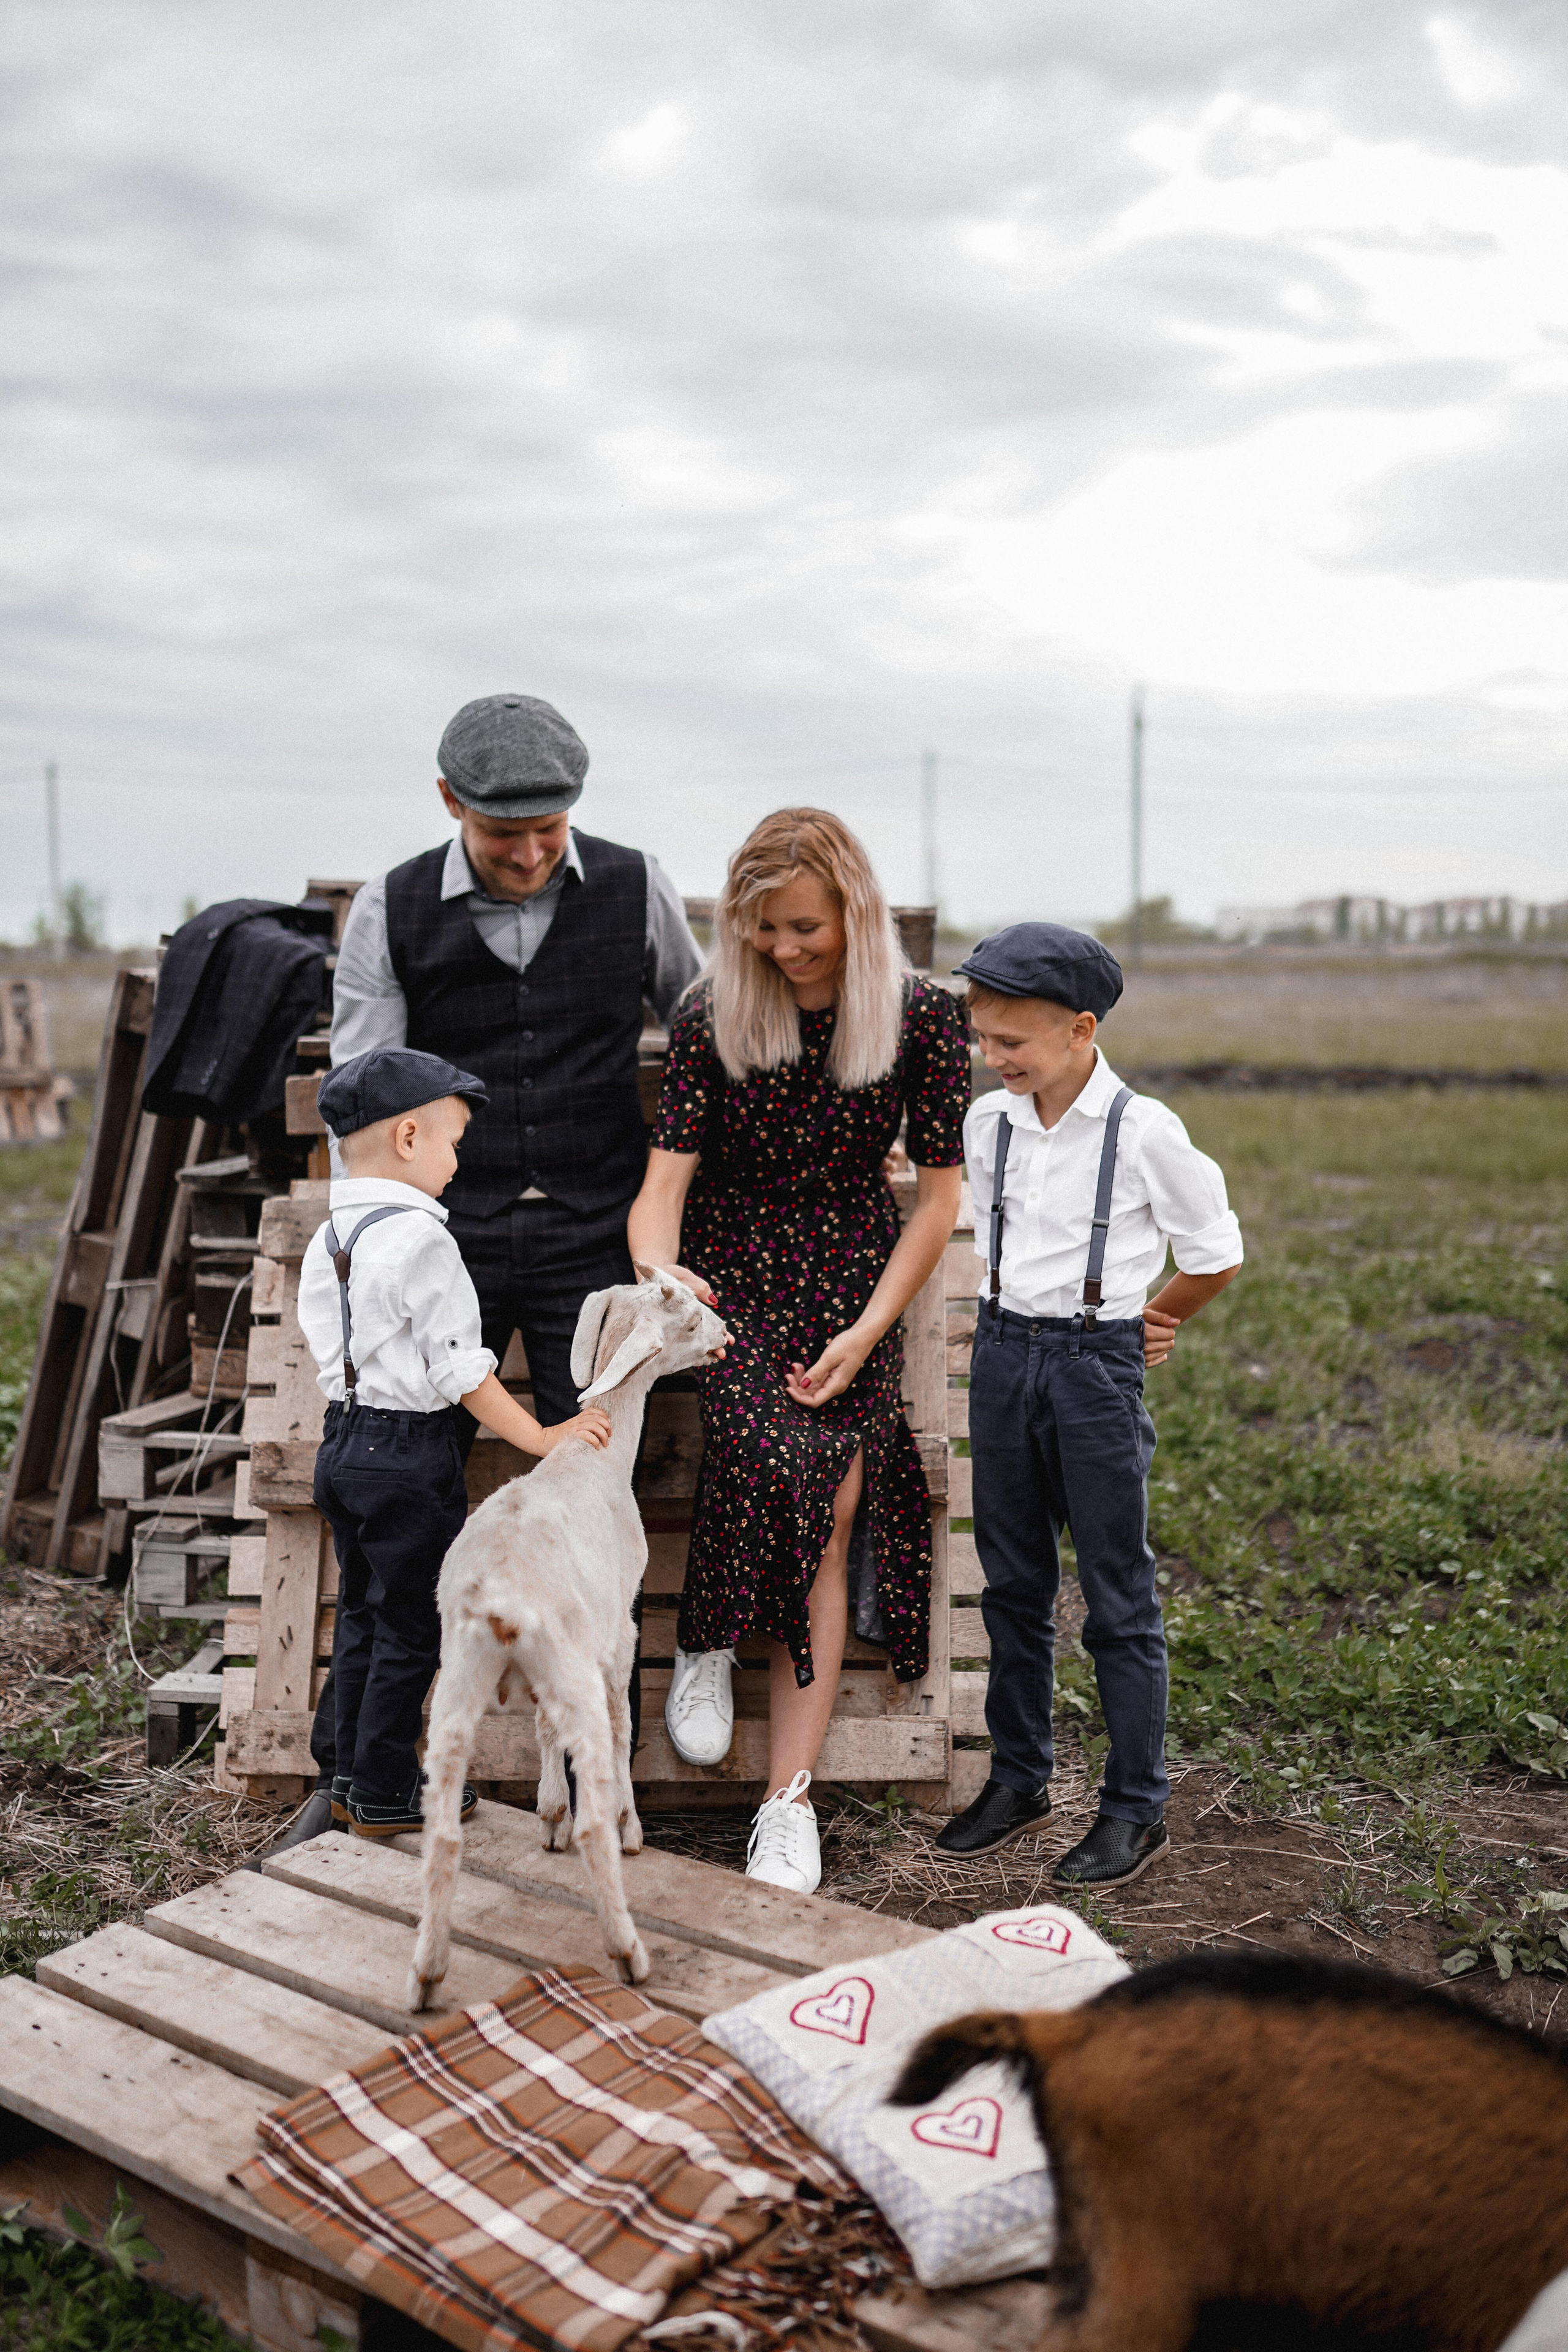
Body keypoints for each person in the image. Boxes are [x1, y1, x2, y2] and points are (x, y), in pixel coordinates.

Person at [628, 808, 970, 1894]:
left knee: (826, 1503)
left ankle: (788, 1802)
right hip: (732, 1264)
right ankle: (706, 1641)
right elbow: (662, 1193)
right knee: (757, 1445)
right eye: (765, 930)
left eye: (805, 929)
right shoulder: (709, 1013)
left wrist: (873, 1326)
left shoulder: (926, 1019)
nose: (783, 950)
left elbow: (939, 1200)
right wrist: (662, 1275)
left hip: (854, 1274)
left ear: (856, 915)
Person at [933, 924, 1243, 1886]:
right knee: (1012, 1582)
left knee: (1117, 1595)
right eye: (984, 1039)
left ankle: (1134, 1807)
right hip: (1002, 1357)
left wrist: (1153, 1318)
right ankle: (1020, 1778)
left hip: (1094, 1368)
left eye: (1012, 1043)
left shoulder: (1144, 1130)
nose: (994, 1059)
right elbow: (987, 1235)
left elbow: (1215, 1251)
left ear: (1080, 1029)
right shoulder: (990, 1126)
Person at [329, 692, 703, 1436]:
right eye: (503, 833)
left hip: (599, 1228)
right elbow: (366, 1100)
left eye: (550, 829)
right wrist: (377, 1250)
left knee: (593, 1472)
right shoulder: (389, 907)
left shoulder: (639, 885)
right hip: (446, 1234)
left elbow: (707, 1037)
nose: (530, 855)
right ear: (449, 800)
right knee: (416, 1456)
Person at [293, 1047, 610, 1841]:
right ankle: (387, 1790)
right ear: (408, 1138)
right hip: (407, 1455)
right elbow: (464, 1372)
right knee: (413, 1624)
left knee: (364, 1611)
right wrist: (544, 1432)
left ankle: (345, 1770)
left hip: (344, 1443)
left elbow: (325, 1345)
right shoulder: (424, 1243)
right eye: (452, 1142)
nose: (457, 1161)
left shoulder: (331, 1234)